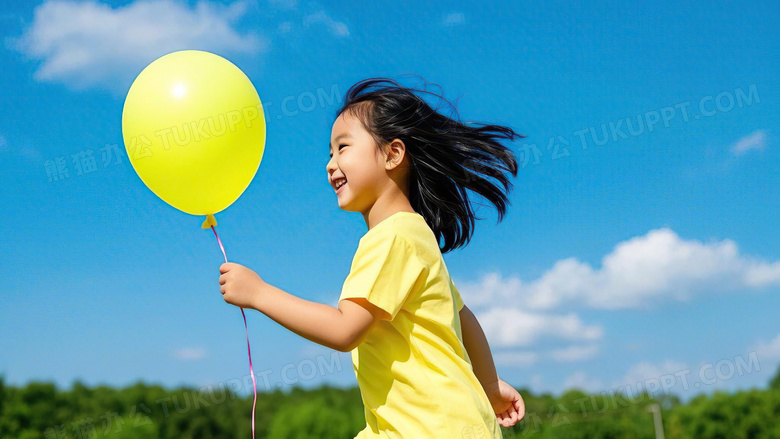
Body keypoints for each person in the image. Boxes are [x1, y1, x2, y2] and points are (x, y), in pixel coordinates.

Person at [218, 76, 526, 438]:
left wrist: (258, 293)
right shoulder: (413, 236)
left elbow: (345, 329)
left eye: (343, 147)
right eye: (329, 153)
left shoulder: (392, 237)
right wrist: (488, 385)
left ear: (393, 154)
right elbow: (463, 317)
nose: (330, 164)